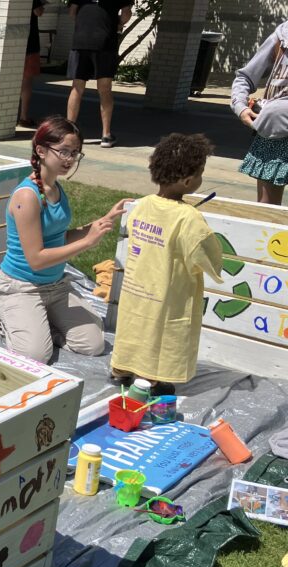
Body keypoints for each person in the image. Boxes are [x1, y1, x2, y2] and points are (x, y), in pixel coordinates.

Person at [0, 116, 131, 363]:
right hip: (20, 286)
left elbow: (60, 237)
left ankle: (41, 326)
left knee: (94, 344)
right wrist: (87, 243)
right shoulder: (27, 196)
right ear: (41, 151)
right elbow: (36, 259)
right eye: (64, 151)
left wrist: (101, 222)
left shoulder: (56, 188)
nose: (70, 159)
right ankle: (11, 316)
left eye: (75, 153)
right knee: (34, 355)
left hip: (55, 286)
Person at [110, 134, 222, 395]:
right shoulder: (190, 218)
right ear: (187, 181)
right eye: (200, 173)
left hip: (137, 288)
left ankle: (121, 368)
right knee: (161, 333)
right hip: (168, 294)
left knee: (133, 326)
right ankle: (152, 378)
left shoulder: (142, 205)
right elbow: (208, 258)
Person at [231, 20, 288, 206]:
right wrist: (240, 107)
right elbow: (245, 77)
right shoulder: (282, 36)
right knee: (267, 214)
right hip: (274, 135)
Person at [66, 0, 132, 148]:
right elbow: (126, 12)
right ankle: (106, 135)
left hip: (80, 41)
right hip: (105, 42)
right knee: (104, 88)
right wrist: (117, 23)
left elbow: (72, 12)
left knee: (77, 87)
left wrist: (84, 26)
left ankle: (69, 132)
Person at [18, 0, 47, 129]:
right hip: (29, 42)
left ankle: (8, 114)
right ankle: (23, 116)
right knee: (26, 80)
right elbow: (38, 12)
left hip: (11, 42)